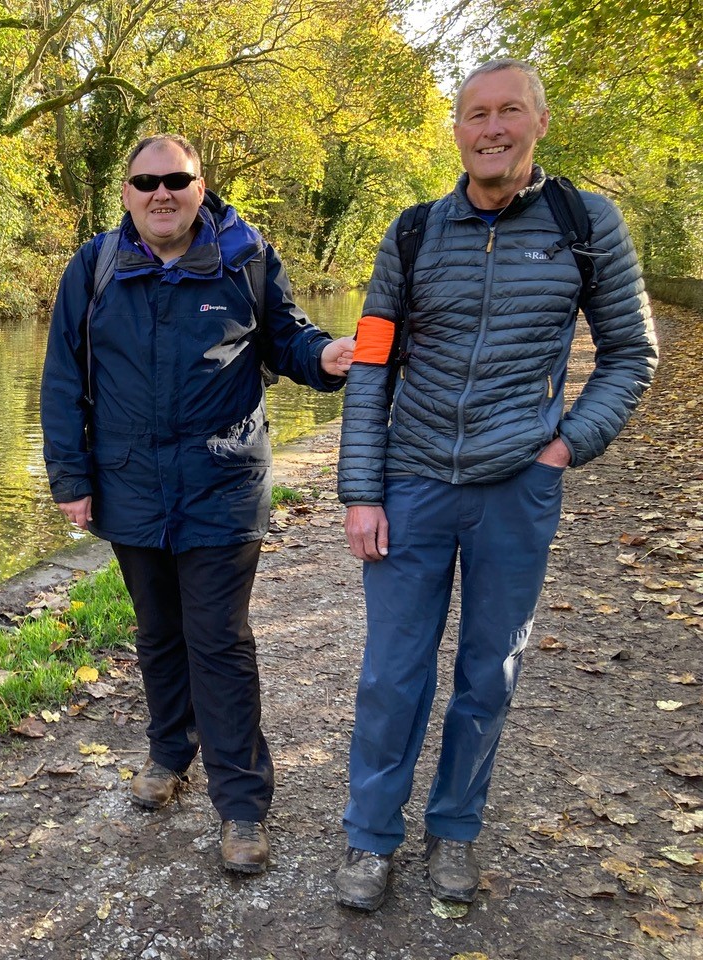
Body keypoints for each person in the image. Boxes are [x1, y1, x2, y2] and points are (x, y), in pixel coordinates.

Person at [334, 59, 657, 910]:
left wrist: (566, 447)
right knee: (391, 673)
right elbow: (371, 368)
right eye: (476, 114)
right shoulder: (411, 233)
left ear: (538, 123)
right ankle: (370, 839)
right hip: (411, 483)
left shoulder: (586, 224)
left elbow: (631, 355)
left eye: (509, 111)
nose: (491, 129)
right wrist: (361, 491)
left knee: (490, 672)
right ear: (457, 131)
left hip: (518, 485)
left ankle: (456, 830)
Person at [40, 133, 355, 874]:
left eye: (175, 179)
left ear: (199, 186)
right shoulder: (93, 269)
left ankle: (243, 804)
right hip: (129, 482)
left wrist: (326, 359)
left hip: (223, 481)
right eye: (145, 181)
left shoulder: (245, 257)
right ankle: (169, 752)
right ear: (125, 193)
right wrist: (71, 478)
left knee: (218, 639)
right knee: (157, 632)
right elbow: (62, 380)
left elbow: (288, 339)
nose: (161, 193)